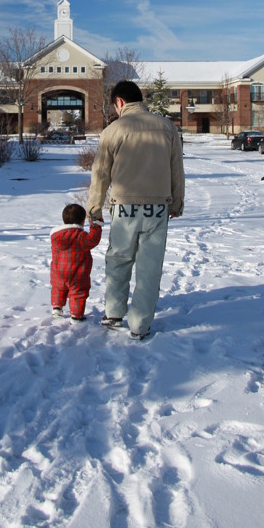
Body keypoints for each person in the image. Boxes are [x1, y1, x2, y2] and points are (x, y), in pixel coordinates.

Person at [87, 79, 185, 339]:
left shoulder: (113, 130)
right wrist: (177, 202)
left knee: (118, 260)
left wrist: (94, 208)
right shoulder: (167, 127)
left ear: (120, 102)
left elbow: (100, 174)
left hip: (124, 208)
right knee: (149, 268)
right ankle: (140, 325)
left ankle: (114, 313)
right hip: (158, 207)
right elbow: (177, 168)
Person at [50, 203, 102, 321]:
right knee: (77, 293)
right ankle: (76, 316)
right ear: (82, 221)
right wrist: (96, 226)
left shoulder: (56, 237)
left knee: (58, 288)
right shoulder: (81, 237)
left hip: (58, 272)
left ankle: (57, 308)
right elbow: (93, 240)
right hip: (77, 274)